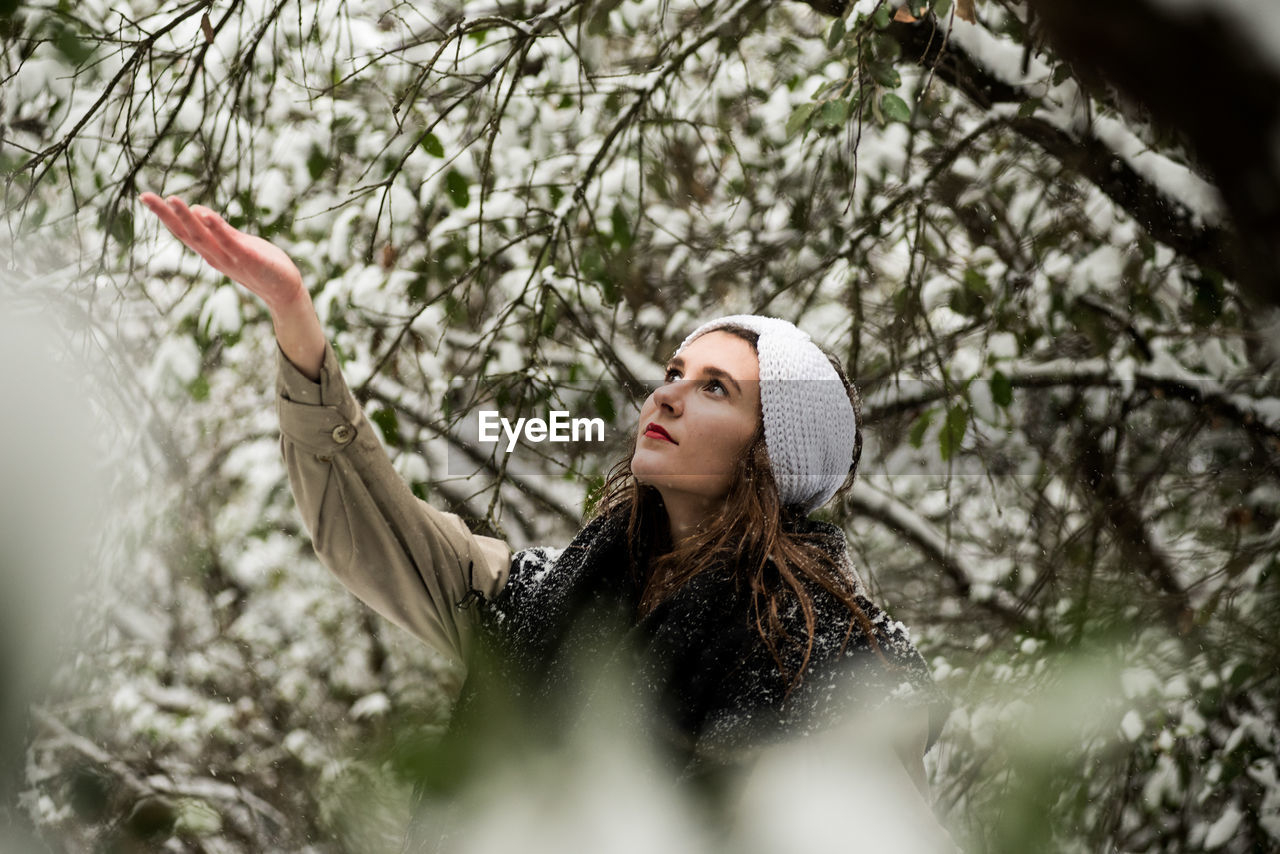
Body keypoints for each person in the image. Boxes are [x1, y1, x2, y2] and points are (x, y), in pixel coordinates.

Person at [138, 192, 948, 799]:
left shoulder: (830, 660)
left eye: (714, 389)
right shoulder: (557, 600)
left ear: (772, 454)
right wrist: (295, 319)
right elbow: (378, 533)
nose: (664, 397)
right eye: (671, 374)